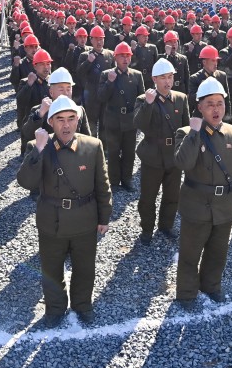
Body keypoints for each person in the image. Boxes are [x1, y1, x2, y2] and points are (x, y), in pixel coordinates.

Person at [17, 96, 112, 328]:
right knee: (51, 269)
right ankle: (55, 308)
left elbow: (103, 184)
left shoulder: (92, 146)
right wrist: (38, 150)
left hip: (84, 220)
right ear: (50, 122)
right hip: (52, 220)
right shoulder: (38, 146)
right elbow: (26, 182)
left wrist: (104, 217)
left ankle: (82, 304)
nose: (66, 125)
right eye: (60, 119)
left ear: (78, 121)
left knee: (85, 268)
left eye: (71, 119)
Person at [173, 77, 232, 308]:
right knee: (190, 253)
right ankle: (186, 293)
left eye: (220, 103)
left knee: (218, 252)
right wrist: (194, 132)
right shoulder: (185, 132)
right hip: (197, 204)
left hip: (224, 204)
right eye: (210, 104)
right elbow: (182, 163)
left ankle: (211, 285)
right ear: (199, 107)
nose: (216, 109)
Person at [133, 58, 189, 244]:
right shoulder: (143, 99)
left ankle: (166, 226)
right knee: (148, 196)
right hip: (153, 156)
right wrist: (148, 104)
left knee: (172, 195)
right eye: (163, 77)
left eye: (170, 77)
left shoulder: (181, 98)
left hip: (173, 156)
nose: (167, 81)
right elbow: (139, 124)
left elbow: (185, 128)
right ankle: (147, 229)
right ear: (154, 79)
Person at [99, 42, 144, 192]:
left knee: (129, 152)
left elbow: (141, 99)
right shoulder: (106, 74)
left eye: (127, 56)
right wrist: (110, 82)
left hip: (130, 120)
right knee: (113, 151)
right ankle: (114, 181)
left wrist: (138, 119)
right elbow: (101, 97)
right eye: (122, 56)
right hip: (113, 119)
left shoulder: (137, 75)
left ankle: (127, 179)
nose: (125, 59)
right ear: (115, 58)